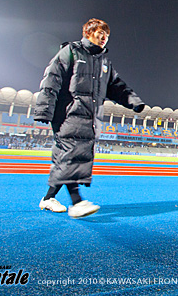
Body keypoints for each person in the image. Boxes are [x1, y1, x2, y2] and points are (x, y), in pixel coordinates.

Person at [35, 18, 145, 218]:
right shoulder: (70, 52)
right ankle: (77, 202)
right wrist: (44, 109)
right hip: (67, 114)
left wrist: (133, 101)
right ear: (88, 33)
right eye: (100, 33)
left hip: (89, 118)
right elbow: (52, 79)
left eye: (107, 36)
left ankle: (48, 198)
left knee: (67, 158)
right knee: (71, 155)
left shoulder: (104, 63)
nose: (104, 38)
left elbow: (117, 87)